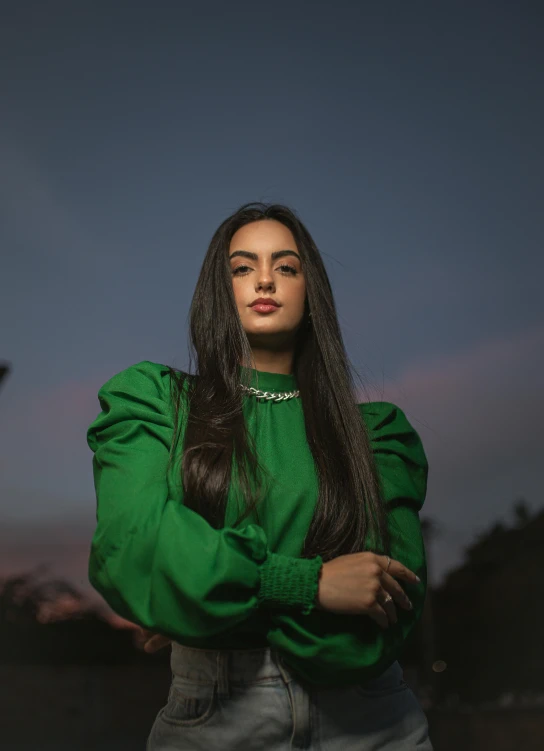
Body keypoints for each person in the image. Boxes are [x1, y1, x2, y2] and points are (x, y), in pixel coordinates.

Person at [86, 202, 433, 750]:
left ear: (310, 290)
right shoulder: (156, 401)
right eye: (242, 267)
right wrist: (309, 585)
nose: (265, 279)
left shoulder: (378, 434)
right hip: (216, 719)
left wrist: (199, 602)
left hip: (372, 723)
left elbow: (378, 625)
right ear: (216, 291)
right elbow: (133, 549)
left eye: (287, 267)